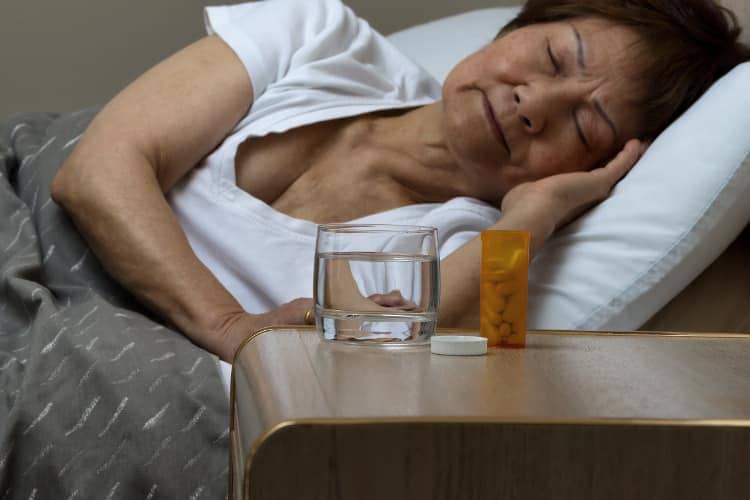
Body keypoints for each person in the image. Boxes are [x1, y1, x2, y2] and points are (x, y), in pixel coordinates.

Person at [50, 0, 749, 362]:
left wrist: (530, 220)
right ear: (519, 24)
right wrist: (229, 325)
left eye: (585, 128)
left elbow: (386, 358)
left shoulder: (464, 246)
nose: (533, 104)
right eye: (552, 57)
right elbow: (95, 169)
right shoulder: (318, 36)